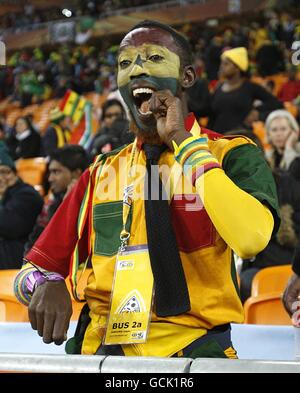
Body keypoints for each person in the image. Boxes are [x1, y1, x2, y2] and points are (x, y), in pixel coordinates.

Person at [14, 20, 280, 358]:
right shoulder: (100, 172)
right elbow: (29, 273)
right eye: (126, 63)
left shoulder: (232, 154)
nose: (138, 69)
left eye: (154, 57)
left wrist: (184, 143)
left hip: (193, 353)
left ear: (186, 77)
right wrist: (44, 284)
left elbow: (251, 238)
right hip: (100, 352)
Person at [24, 145, 90, 254]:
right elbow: (34, 243)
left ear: (77, 174)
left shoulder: (92, 203)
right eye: (50, 172)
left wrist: (69, 205)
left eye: (56, 172)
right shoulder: (53, 201)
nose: (50, 178)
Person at [207, 47, 282, 133]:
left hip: (242, 138)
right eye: (221, 64)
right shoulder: (219, 87)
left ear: (237, 67)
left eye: (226, 64)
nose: (221, 67)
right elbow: (212, 116)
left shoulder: (250, 87)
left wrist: (258, 114)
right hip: (219, 140)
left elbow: (276, 104)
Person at [0, 141, 43, 269]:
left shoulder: (28, 195)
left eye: (5, 172)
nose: (1, 177)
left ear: (14, 173)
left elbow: (9, 225)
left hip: (20, 262)